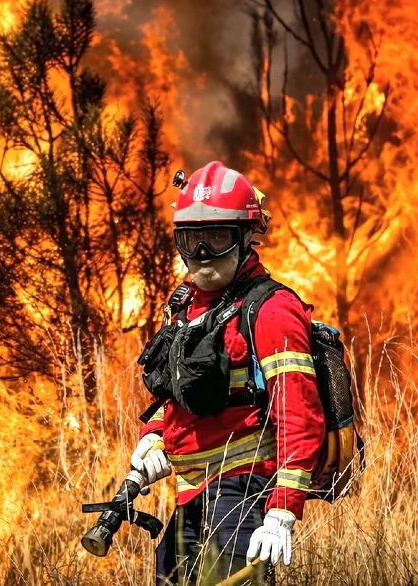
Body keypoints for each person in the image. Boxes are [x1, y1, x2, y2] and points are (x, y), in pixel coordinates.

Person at [130, 161, 326, 583]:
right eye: (191, 239)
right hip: (190, 496)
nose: (202, 252)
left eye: (217, 237)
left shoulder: (272, 310)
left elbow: (299, 415)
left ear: (245, 236)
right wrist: (154, 438)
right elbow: (175, 393)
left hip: (243, 494)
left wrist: (281, 510)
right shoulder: (185, 309)